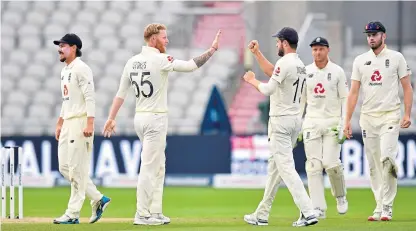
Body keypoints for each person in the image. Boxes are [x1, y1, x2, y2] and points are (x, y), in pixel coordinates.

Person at [102, 23, 221, 225]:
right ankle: (142, 214)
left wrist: (111, 118)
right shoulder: (161, 59)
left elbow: (120, 95)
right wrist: (212, 50)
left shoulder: (132, 61)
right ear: (153, 39)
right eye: (164, 37)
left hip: (140, 118)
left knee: (159, 166)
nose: (167, 40)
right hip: (155, 119)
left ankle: (155, 211)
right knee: (149, 168)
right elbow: (191, 66)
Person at [242, 27, 318, 227]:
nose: (276, 44)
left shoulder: (285, 63)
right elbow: (273, 72)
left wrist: (252, 81)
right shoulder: (300, 64)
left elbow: (268, 89)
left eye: (278, 41)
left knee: (285, 168)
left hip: (280, 122)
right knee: (275, 170)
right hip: (294, 121)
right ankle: (262, 214)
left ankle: (308, 211)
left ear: (285, 43)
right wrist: (257, 54)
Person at [344, 21, 413, 221]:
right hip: (368, 118)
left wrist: (407, 114)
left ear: (384, 36)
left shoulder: (396, 58)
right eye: (368, 35)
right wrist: (347, 120)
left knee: (387, 160)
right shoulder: (360, 60)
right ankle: (379, 205)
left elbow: (407, 88)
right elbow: (353, 93)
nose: (371, 38)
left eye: (375, 34)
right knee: (374, 165)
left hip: (390, 115)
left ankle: (387, 207)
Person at [53, 33, 111, 224]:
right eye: (59, 46)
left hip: (80, 122)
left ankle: (72, 214)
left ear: (74, 48)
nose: (59, 49)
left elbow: (90, 97)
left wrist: (90, 123)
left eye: (63, 46)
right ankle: (98, 198)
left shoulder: (82, 69)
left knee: (77, 169)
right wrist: (60, 122)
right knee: (64, 167)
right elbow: (66, 100)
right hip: (68, 122)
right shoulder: (64, 70)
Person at [299, 37, 349, 219]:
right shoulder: (305, 71)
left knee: (331, 164)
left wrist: (345, 124)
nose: (317, 53)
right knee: (313, 166)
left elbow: (345, 98)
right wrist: (299, 124)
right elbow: (301, 101)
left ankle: (341, 197)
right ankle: (318, 207)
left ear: (328, 50)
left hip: (332, 123)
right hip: (311, 122)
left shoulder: (337, 72)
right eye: (314, 50)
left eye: (321, 49)